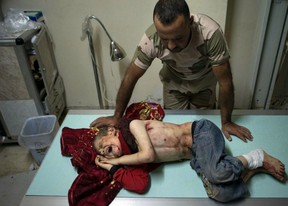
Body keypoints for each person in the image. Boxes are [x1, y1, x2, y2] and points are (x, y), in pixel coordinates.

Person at [90, 0, 253, 143]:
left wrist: (227, 122)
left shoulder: (210, 33)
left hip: (204, 85)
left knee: (204, 129)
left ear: (190, 22)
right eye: (164, 38)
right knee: (174, 131)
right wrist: (117, 116)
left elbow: (225, 82)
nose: (171, 46)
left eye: (178, 38)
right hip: (174, 85)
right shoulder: (151, 38)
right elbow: (130, 78)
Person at [94, 118, 286, 202]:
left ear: (112, 131)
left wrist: (118, 162)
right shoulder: (130, 159)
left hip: (201, 132)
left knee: (217, 173)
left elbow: (149, 155)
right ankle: (250, 168)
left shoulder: (134, 126)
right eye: (106, 154)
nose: (109, 153)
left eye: (106, 146)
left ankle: (257, 156)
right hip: (197, 155)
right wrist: (112, 169)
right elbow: (140, 184)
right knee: (217, 193)